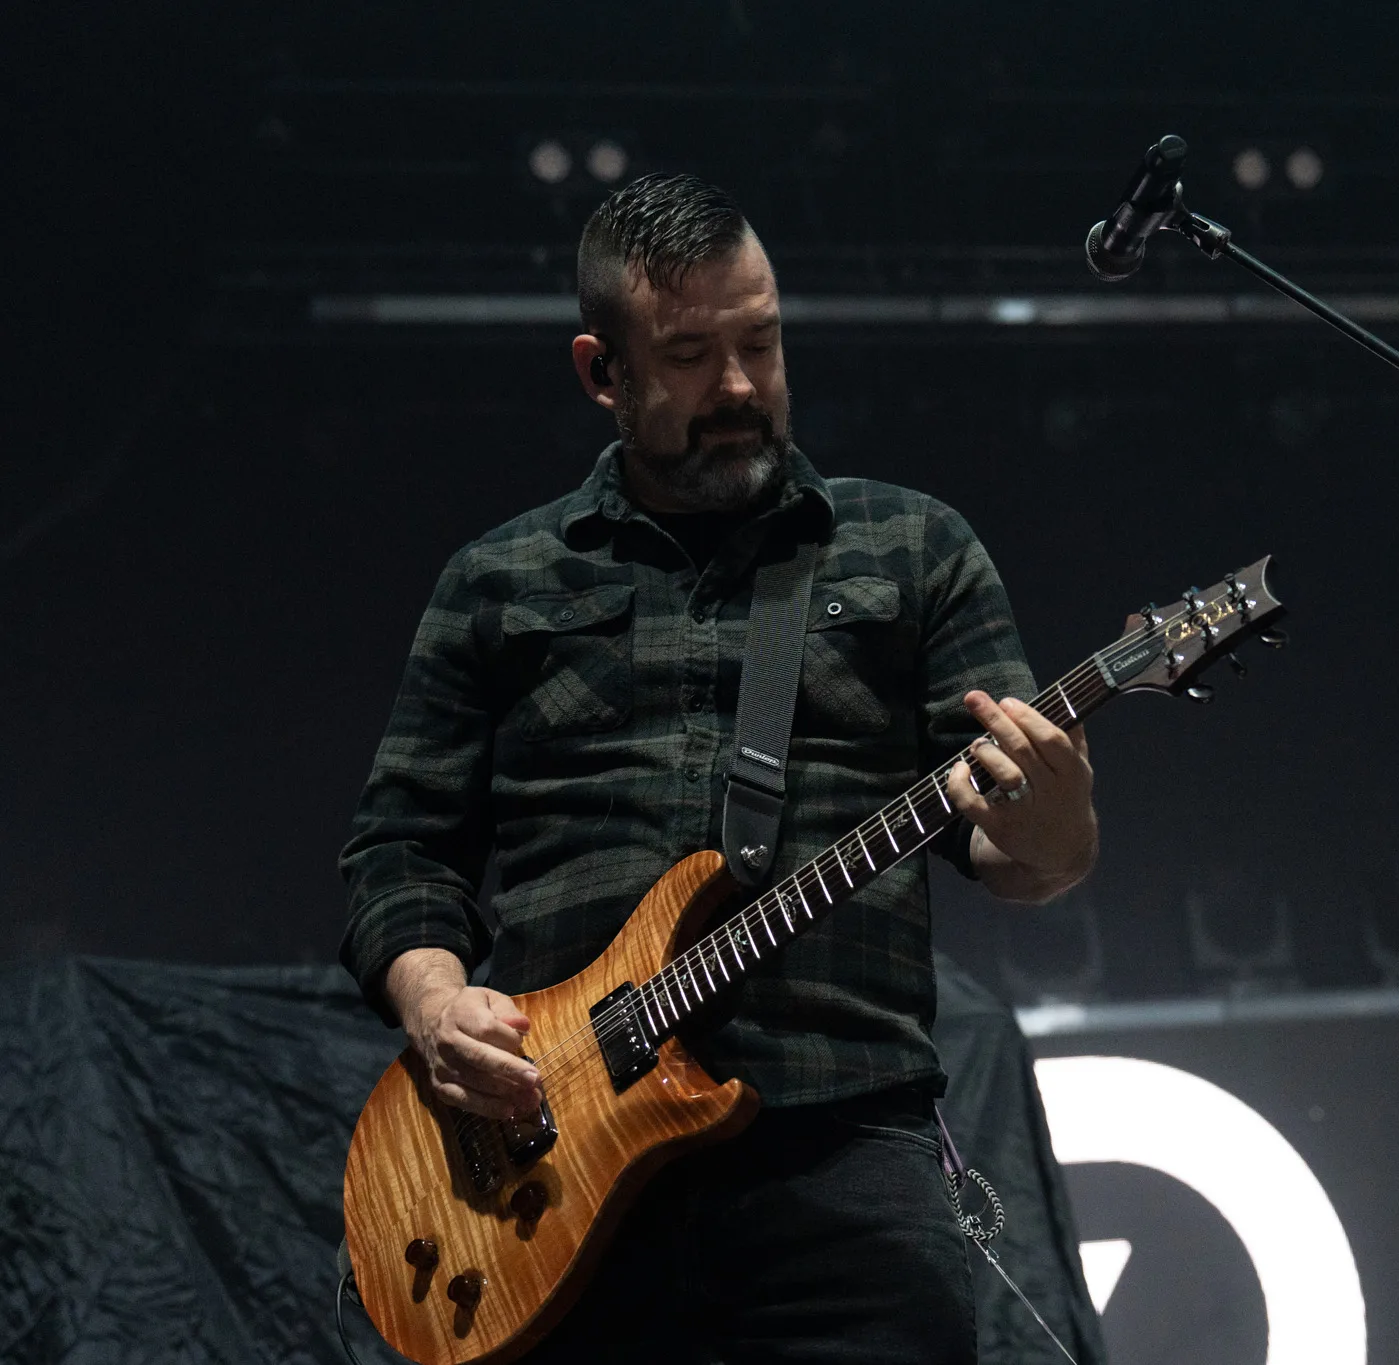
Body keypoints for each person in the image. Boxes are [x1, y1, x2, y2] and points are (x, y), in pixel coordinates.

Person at [337, 172, 1099, 1363]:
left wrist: (1056, 824)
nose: (740, 385)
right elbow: (399, 848)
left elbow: (1018, 854)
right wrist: (434, 1006)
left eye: (761, 341)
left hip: (844, 1149)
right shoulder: (498, 581)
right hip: (549, 1168)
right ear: (601, 372)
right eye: (690, 355)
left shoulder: (911, 547)